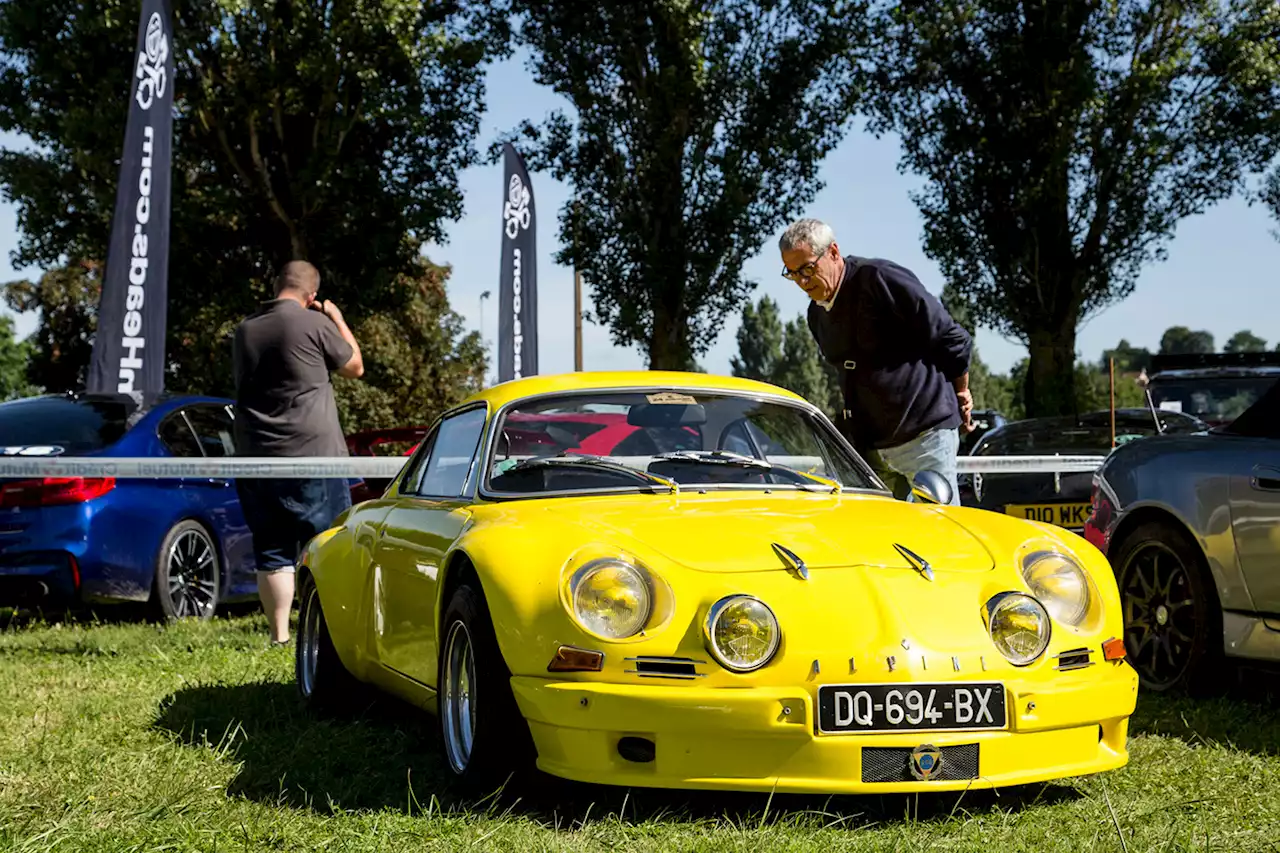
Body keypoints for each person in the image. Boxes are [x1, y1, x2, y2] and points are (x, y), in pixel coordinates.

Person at [778, 218, 972, 503]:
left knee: (939, 535)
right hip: (872, 452)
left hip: (926, 437)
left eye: (808, 268)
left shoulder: (880, 278)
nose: (802, 282)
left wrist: (961, 391)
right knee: (882, 539)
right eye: (793, 273)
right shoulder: (816, 315)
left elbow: (952, 337)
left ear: (833, 252)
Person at [231, 260, 364, 645]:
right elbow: (354, 366)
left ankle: (279, 635)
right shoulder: (314, 323)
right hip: (314, 455)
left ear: (276, 285)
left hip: (256, 455)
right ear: (311, 296)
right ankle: (323, 637)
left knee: (271, 551)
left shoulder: (244, 331)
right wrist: (336, 318)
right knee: (324, 546)